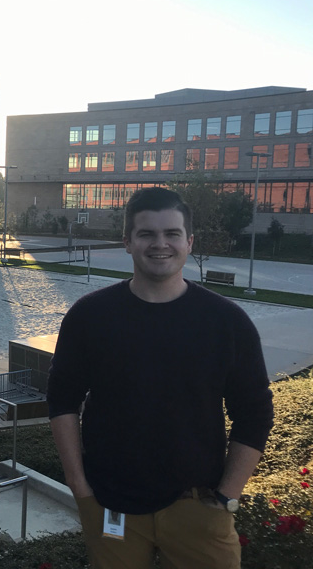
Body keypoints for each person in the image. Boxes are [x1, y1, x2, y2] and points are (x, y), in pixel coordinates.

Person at [46, 187, 274, 568]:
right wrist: (79, 487)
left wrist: (226, 497)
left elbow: (254, 413)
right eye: (147, 234)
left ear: (189, 241)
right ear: (127, 242)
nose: (160, 244)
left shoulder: (226, 322)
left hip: (198, 504)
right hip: (109, 504)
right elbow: (62, 399)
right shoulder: (90, 317)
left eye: (171, 233)